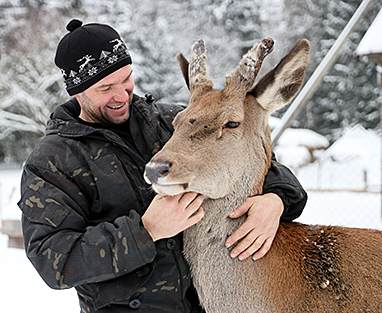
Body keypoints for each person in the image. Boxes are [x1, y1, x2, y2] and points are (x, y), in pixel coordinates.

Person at [18, 19, 307, 313]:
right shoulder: (51, 162)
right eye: (106, 87)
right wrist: (146, 230)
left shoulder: (173, 122)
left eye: (126, 79)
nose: (121, 95)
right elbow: (54, 262)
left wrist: (276, 199)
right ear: (77, 92)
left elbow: (252, 163)